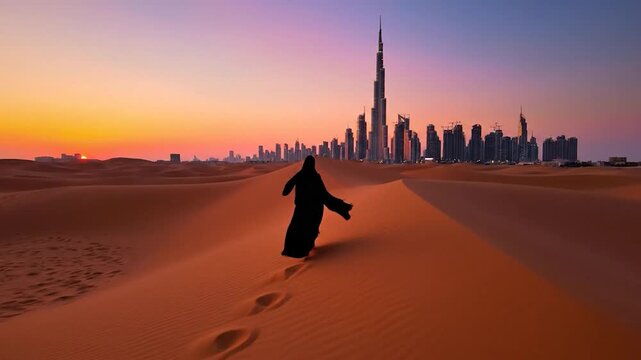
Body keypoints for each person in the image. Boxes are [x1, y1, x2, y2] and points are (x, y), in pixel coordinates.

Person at [281, 156, 352, 258]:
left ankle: (296, 250)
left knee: (297, 228)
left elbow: (285, 190)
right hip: (315, 208)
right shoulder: (315, 177)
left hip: (301, 209)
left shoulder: (300, 175)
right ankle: (306, 249)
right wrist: (339, 206)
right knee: (311, 228)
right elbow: (324, 194)